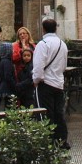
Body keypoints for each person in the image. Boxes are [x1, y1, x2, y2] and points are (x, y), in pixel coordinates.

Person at [32, 18, 68, 148]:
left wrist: (36, 80)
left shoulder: (43, 44)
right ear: (56, 28)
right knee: (59, 113)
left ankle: (48, 140)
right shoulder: (62, 44)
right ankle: (62, 140)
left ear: (43, 29)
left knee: (45, 113)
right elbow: (64, 65)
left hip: (45, 83)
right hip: (59, 82)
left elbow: (38, 65)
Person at [0, 41, 17, 108]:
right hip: (8, 87)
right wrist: (15, 85)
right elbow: (7, 76)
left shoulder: (3, 60)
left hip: (5, 86)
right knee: (9, 106)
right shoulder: (7, 61)